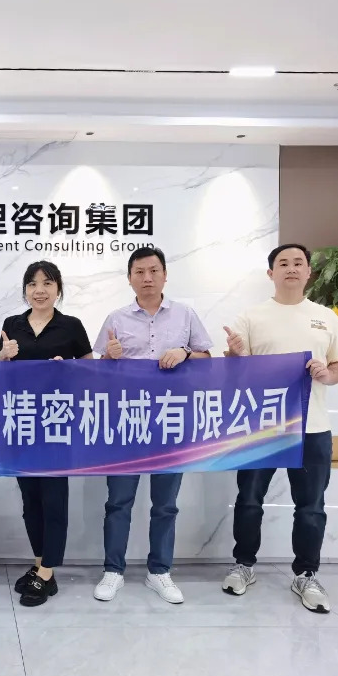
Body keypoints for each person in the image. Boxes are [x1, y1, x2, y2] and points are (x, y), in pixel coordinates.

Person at [222, 243, 338, 613]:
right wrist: (235, 353)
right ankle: (243, 565)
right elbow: (235, 368)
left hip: (313, 426)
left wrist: (328, 374)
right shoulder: (251, 316)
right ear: (271, 273)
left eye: (298, 263)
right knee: (249, 500)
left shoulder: (326, 317)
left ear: (309, 271)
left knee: (310, 505)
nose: (291, 268)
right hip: (261, 426)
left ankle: (306, 574)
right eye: (283, 263)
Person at [91, 247, 213, 605]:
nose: (147, 278)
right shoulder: (115, 318)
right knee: (118, 501)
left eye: (153, 270)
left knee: (165, 504)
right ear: (129, 278)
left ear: (165, 275)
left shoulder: (185, 314)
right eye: (140, 272)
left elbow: (208, 359)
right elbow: (98, 371)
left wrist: (186, 353)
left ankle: (159, 571)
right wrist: (109, 358)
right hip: (127, 421)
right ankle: (113, 571)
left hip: (170, 420)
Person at [0, 260, 93, 607]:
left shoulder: (71, 326)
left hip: (56, 423)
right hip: (21, 422)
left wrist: (69, 370)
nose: (39, 290)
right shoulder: (12, 325)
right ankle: (41, 565)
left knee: (54, 498)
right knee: (30, 500)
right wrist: (3, 357)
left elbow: (90, 370)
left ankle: (48, 571)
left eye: (47, 283)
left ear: (58, 289)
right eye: (32, 284)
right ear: (25, 290)